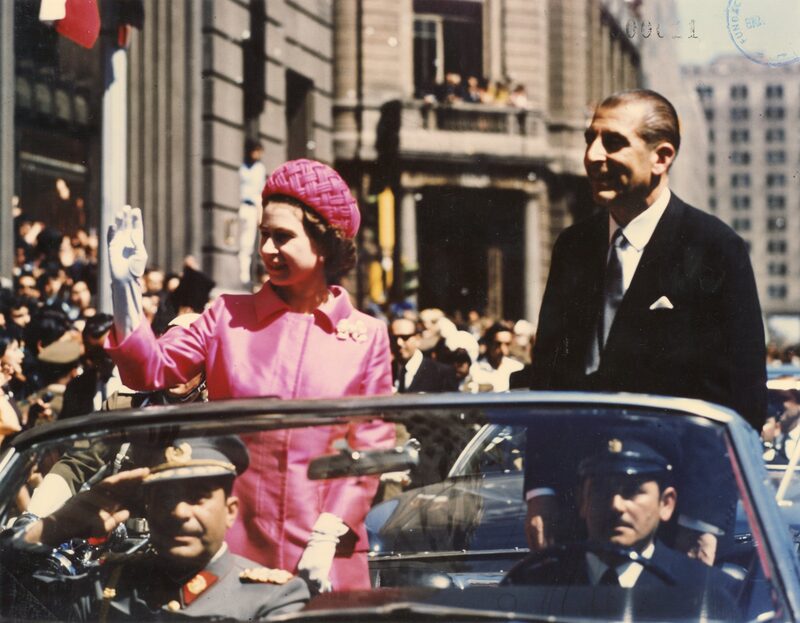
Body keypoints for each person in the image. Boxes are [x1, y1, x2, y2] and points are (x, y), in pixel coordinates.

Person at [104, 159, 394, 591]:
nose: (267, 250)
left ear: (324, 244)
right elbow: (151, 370)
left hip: (326, 555)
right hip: (231, 548)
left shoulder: (367, 336)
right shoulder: (226, 316)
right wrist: (125, 289)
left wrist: (328, 534)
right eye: (264, 235)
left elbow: (369, 450)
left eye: (283, 237)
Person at [525, 89, 764, 561]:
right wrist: (542, 492)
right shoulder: (573, 247)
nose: (593, 156)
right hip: (579, 514)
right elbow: (546, 382)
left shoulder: (715, 248)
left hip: (673, 521)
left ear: (662, 157)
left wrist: (703, 521)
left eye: (612, 142)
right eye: (589, 139)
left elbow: (740, 401)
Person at [3, 436, 310, 620]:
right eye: (166, 497)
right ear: (148, 508)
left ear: (230, 512)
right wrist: (57, 525)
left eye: (198, 497)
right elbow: (10, 597)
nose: (179, 512)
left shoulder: (270, 599)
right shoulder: (109, 585)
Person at [506, 433, 738, 600]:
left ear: (666, 504)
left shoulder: (708, 593)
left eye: (632, 490)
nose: (616, 505)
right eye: (601, 490)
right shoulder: (531, 586)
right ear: (582, 501)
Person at [389, 317, 458, 393]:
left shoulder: (442, 373)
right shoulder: (385, 371)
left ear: (418, 338)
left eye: (405, 337)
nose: (399, 343)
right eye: (394, 338)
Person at [238, 139, 268, 285]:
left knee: (247, 243)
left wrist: (260, 212)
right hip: (240, 206)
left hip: (251, 207)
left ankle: (244, 275)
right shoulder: (242, 166)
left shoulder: (259, 168)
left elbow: (260, 192)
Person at [470, 322, 523, 392]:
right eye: (498, 344)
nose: (503, 350)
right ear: (489, 343)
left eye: (507, 344)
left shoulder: (517, 368)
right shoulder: (475, 370)